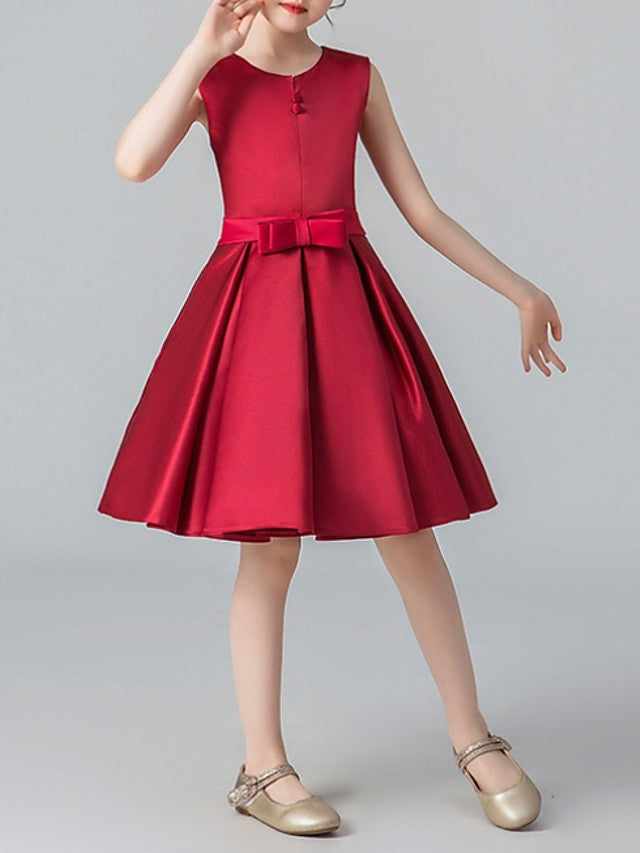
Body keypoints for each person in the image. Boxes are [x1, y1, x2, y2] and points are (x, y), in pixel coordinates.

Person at [97, 0, 566, 836]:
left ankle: (474, 739)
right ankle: (263, 765)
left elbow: (420, 210)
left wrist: (520, 289)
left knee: (409, 528)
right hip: (254, 322)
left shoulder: (356, 78)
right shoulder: (215, 77)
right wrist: (200, 49)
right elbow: (133, 162)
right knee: (268, 545)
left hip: (350, 311)